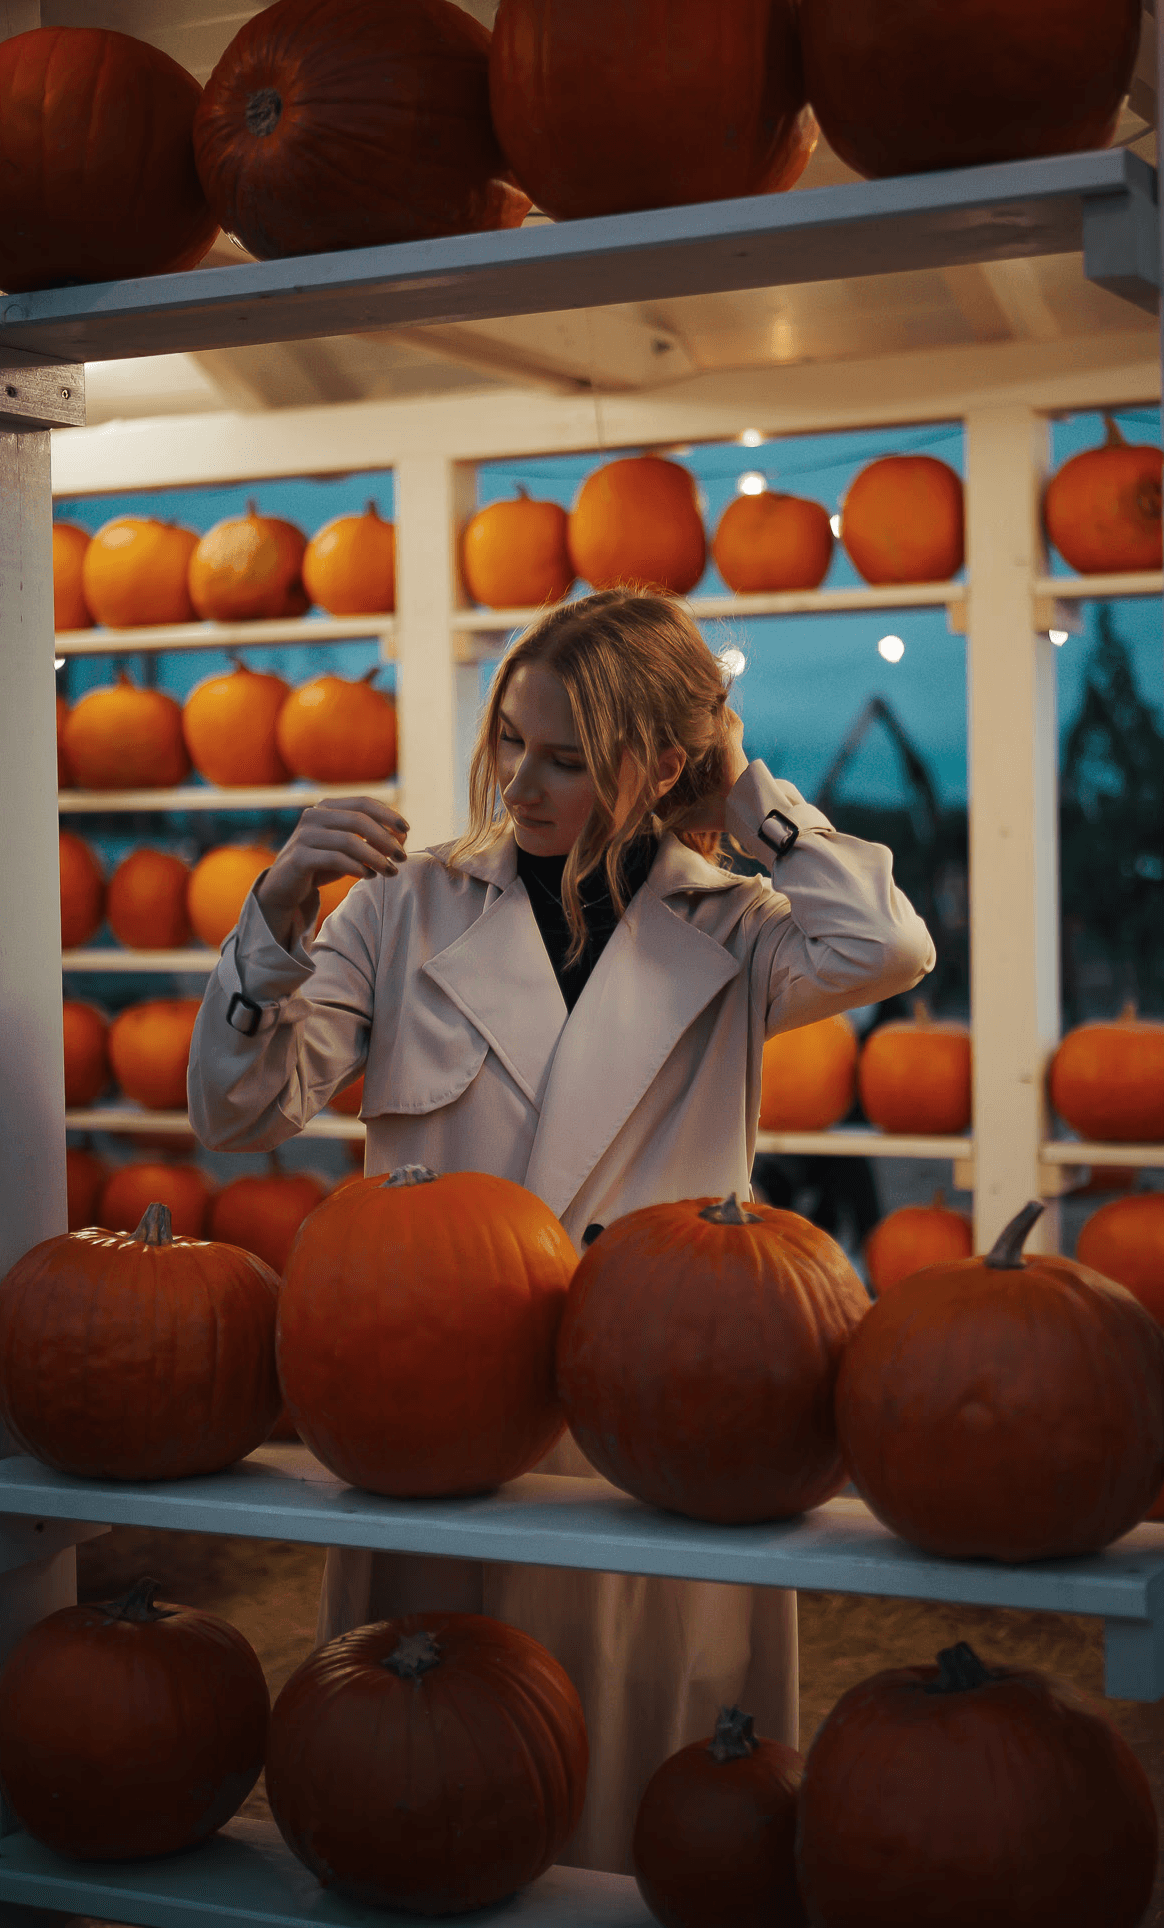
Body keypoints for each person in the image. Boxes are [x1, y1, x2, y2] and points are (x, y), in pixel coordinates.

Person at [187, 585, 935, 1875]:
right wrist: (275, 915)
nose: (523, 783)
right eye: (514, 744)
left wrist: (744, 788)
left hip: (653, 1418)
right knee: (433, 1781)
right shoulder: (400, 910)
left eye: (571, 759)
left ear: (661, 765)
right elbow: (237, 1112)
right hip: (435, 1411)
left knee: (638, 1791)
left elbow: (887, 943)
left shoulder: (739, 928)